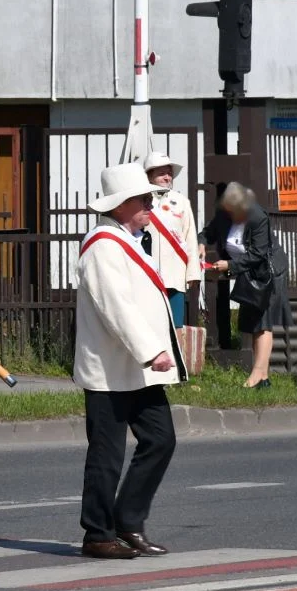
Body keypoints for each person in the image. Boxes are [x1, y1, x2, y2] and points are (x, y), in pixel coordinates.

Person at [74, 163, 186, 559]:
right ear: (120, 204)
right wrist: (150, 349)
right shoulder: (103, 244)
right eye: (142, 198)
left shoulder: (134, 238)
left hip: (138, 368)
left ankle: (129, 520)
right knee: (106, 454)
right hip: (110, 367)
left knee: (160, 439)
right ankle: (98, 534)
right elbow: (115, 307)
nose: (149, 204)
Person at [199, 182, 292, 389]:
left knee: (263, 321)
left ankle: (257, 374)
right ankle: (263, 378)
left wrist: (229, 265)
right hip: (248, 271)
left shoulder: (257, 217)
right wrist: (201, 243)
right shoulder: (224, 214)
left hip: (268, 271)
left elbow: (258, 253)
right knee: (253, 322)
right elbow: (208, 232)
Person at [142, 151, 201, 328]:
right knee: (149, 325)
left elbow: (190, 238)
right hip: (147, 274)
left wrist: (193, 272)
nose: (167, 177)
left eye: (169, 173)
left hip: (175, 274)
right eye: (161, 173)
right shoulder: (139, 200)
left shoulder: (181, 201)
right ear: (149, 175)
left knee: (175, 327)